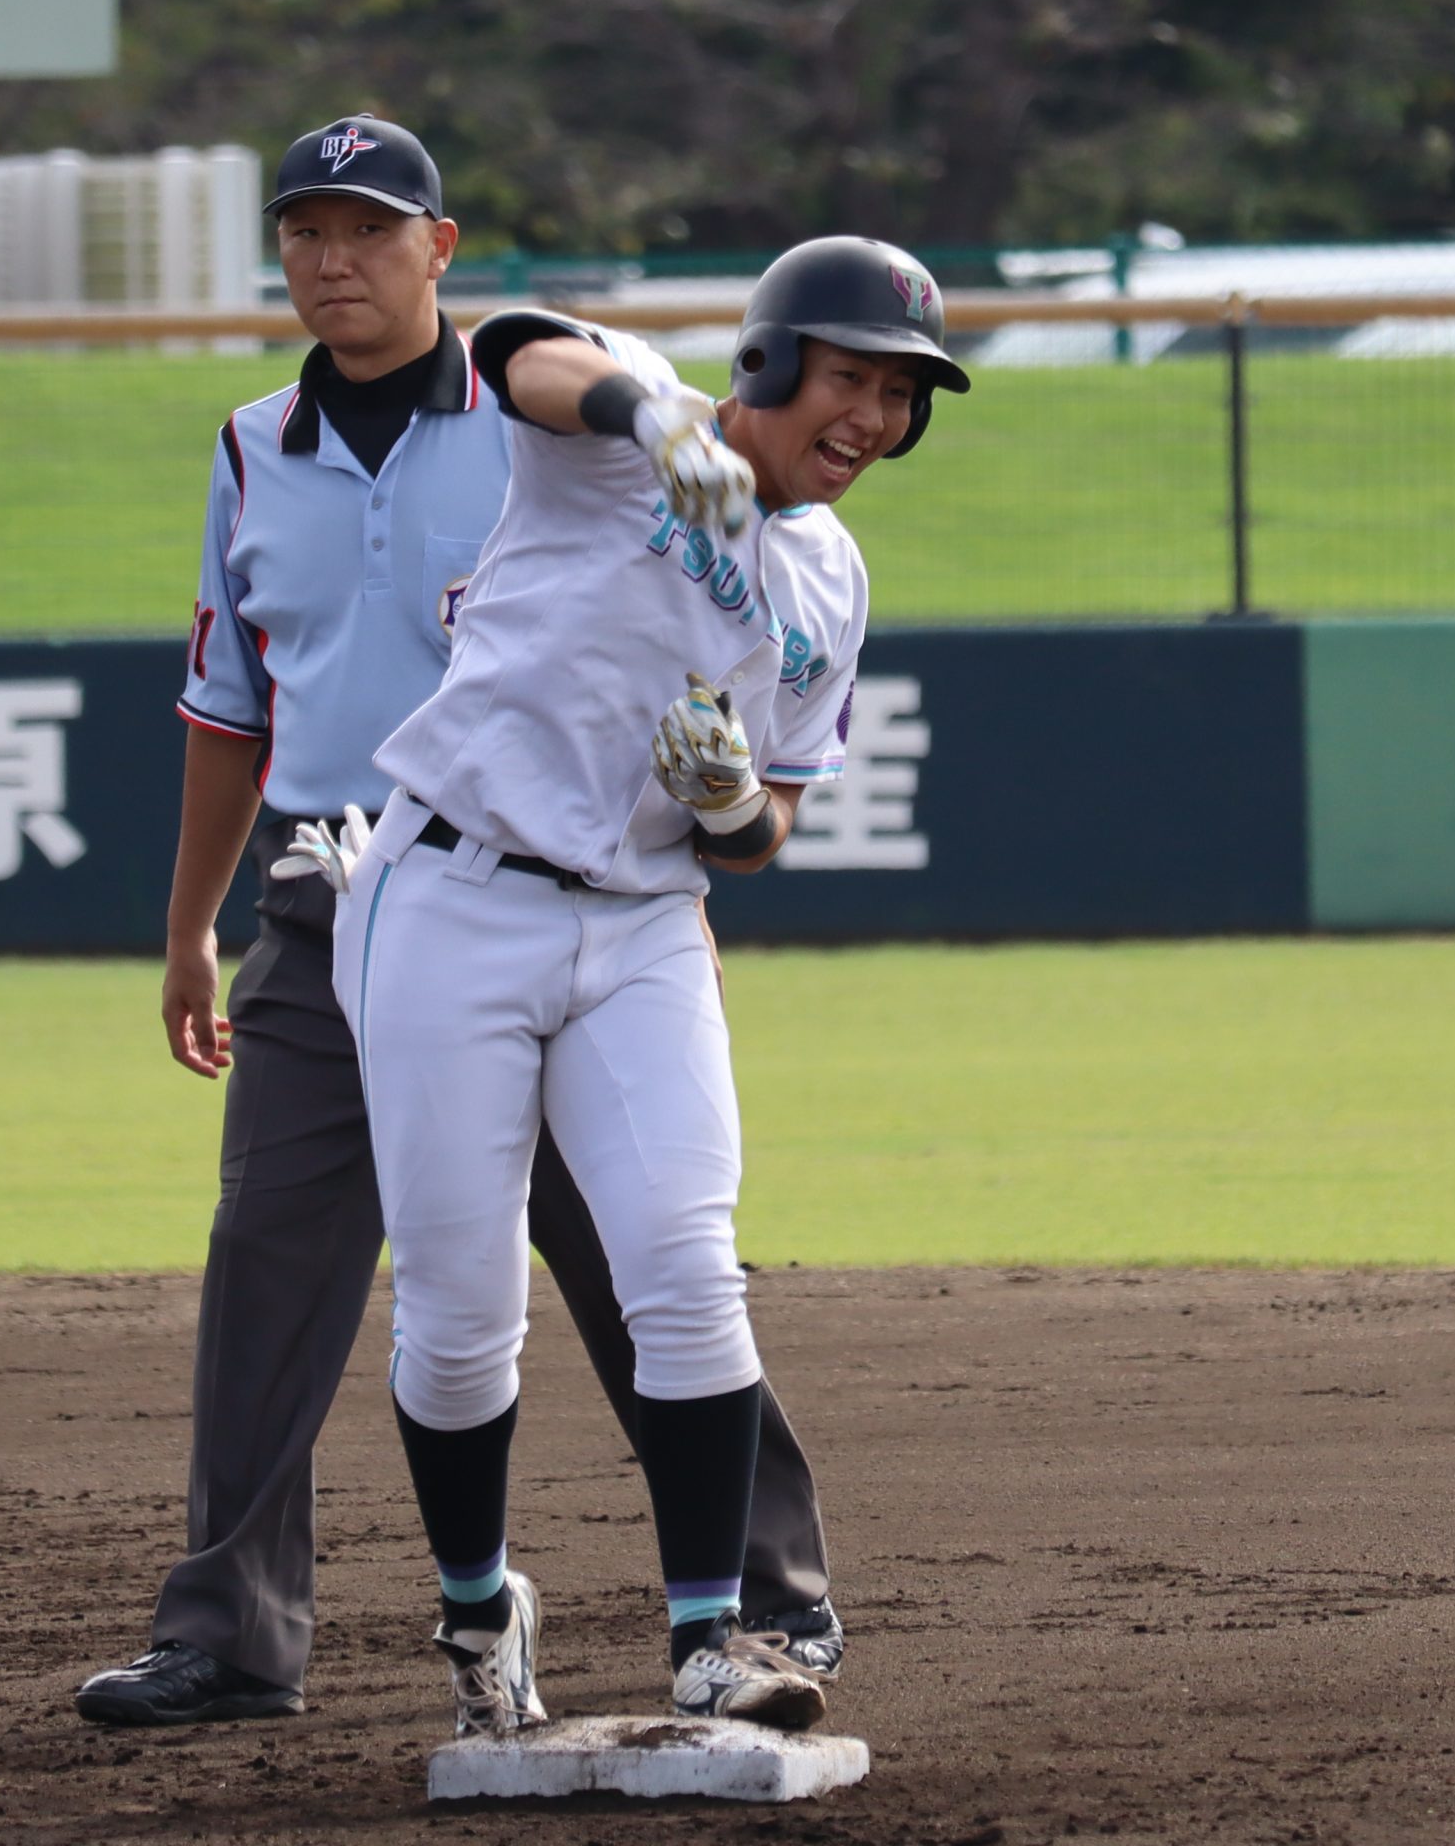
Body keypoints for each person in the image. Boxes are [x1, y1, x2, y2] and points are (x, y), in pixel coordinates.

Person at [73, 118, 843, 1729]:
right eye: (306, 230)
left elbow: (584, 408)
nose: (333, 258)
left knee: (645, 1250)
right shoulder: (251, 446)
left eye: (369, 228)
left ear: (437, 246)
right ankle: (232, 1632)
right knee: (277, 1261)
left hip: (559, 882)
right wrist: (192, 927)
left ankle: (766, 1595)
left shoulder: (533, 421)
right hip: (332, 887)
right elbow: (227, 708)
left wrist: (678, 867)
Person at [303, 236, 970, 1738]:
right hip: (450, 895)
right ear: (769, 362)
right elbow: (517, 352)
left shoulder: (831, 576)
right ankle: (480, 1612)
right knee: (460, 1312)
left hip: (645, 927)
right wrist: (652, 421)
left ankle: (712, 1633)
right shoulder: (627, 426)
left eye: (902, 396)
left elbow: (766, 825)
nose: (873, 417)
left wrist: (731, 806)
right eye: (851, 378)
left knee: (684, 1260)